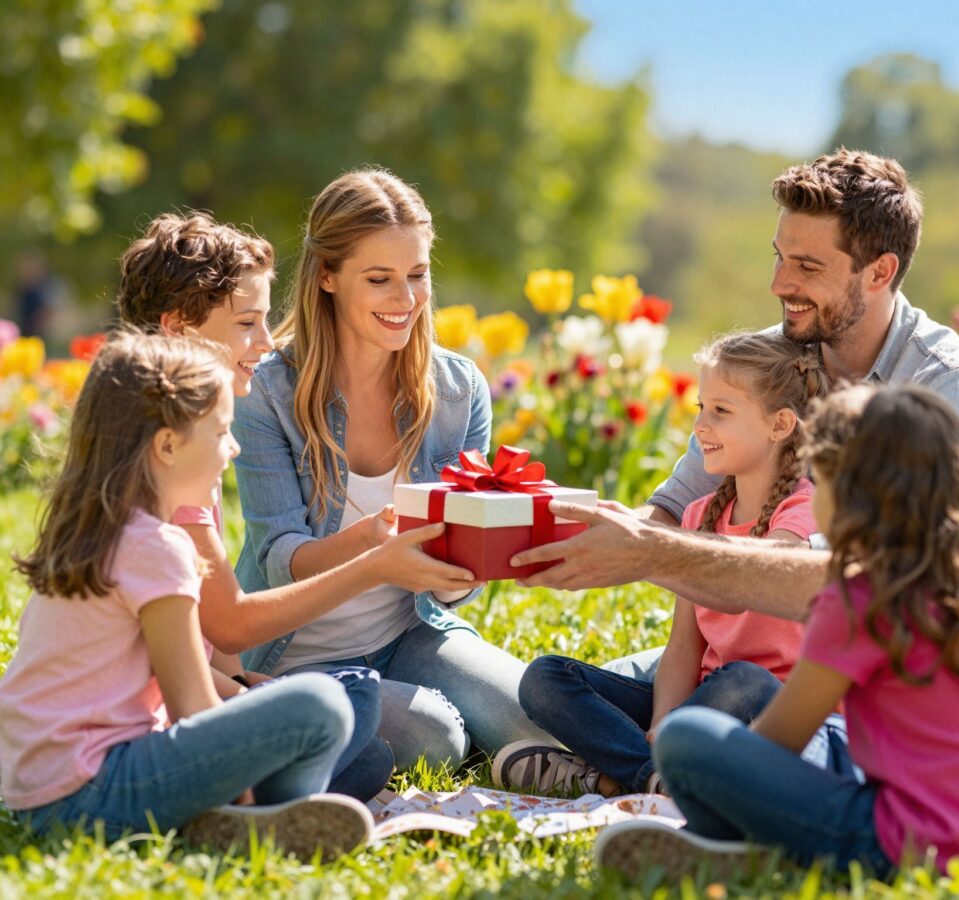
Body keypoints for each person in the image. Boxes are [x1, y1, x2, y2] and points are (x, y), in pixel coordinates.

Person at [521, 134, 959, 844]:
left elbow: (891, 595)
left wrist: (656, 557)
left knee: (714, 725)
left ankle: (713, 803)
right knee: (613, 691)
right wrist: (623, 539)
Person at [557, 149, 959, 680]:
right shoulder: (769, 361)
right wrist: (574, 540)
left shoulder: (947, 388)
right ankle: (654, 758)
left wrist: (651, 553)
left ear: (880, 272)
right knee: (548, 697)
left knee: (713, 708)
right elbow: (674, 508)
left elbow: (872, 582)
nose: (779, 285)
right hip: (734, 657)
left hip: (863, 675)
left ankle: (652, 759)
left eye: (807, 267)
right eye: (780, 257)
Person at [595, 385, 959, 878]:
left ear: (849, 494)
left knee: (686, 739)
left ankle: (742, 848)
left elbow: (779, 739)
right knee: (830, 745)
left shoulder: (860, 598)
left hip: (919, 847)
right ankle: (743, 847)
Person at [0, 332, 373, 857]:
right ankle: (257, 825)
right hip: (91, 791)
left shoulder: (100, 530)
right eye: (222, 432)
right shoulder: (156, 545)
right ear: (168, 446)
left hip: (38, 791)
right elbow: (191, 708)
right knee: (322, 704)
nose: (234, 447)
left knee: (351, 715)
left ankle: (258, 817)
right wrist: (233, 770)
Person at [232, 168, 552, 768]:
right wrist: (375, 550)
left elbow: (456, 562)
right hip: (293, 654)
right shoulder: (268, 391)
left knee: (537, 718)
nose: (406, 301)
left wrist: (468, 569)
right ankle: (281, 717)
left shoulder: (458, 390)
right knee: (437, 738)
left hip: (410, 635)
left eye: (418, 275)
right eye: (380, 279)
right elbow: (279, 559)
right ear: (326, 276)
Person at [116, 210, 419, 801]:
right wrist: (375, 565)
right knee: (341, 703)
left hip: (181, 698)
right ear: (179, 329)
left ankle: (282, 784)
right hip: (147, 726)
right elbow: (229, 618)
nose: (265, 341)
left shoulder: (187, 441)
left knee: (364, 738)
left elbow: (209, 618)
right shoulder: (165, 462)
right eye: (248, 322)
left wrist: (235, 679)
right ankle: (262, 797)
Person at [493, 333, 828, 796]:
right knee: (545, 679)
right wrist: (663, 721)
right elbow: (683, 650)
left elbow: (761, 580)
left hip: (773, 713)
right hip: (699, 707)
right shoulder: (698, 516)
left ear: (780, 424)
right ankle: (654, 776)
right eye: (700, 408)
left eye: (721, 412)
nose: (700, 426)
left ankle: (610, 775)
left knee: (746, 680)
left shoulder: (802, 513)